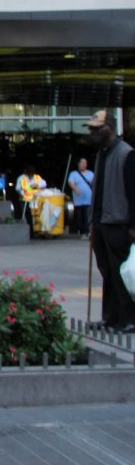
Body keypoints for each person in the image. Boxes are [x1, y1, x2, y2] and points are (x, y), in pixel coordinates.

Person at [87, 109, 135, 333]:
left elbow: (133, 193)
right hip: (101, 222)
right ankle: (110, 317)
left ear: (110, 127)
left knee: (121, 273)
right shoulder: (102, 153)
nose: (93, 133)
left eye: (97, 129)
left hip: (118, 223)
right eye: (92, 129)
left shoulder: (126, 153)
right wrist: (92, 222)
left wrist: (133, 226)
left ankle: (129, 318)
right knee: (107, 272)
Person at [16, 164, 46, 239]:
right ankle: (30, 233)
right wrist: (24, 192)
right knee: (27, 215)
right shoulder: (21, 178)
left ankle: (36, 231)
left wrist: (34, 186)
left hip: (35, 200)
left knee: (36, 215)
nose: (30, 176)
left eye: (32, 175)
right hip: (25, 199)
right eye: (29, 175)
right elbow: (18, 188)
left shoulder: (36, 177)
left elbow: (44, 184)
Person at [67, 157, 94, 238]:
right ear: (78, 164)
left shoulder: (91, 174)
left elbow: (94, 183)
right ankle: (82, 231)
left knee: (87, 216)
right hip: (78, 200)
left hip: (88, 200)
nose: (83, 164)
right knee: (79, 217)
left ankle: (86, 232)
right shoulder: (73, 174)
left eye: (85, 163)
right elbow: (71, 182)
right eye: (81, 163)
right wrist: (76, 189)